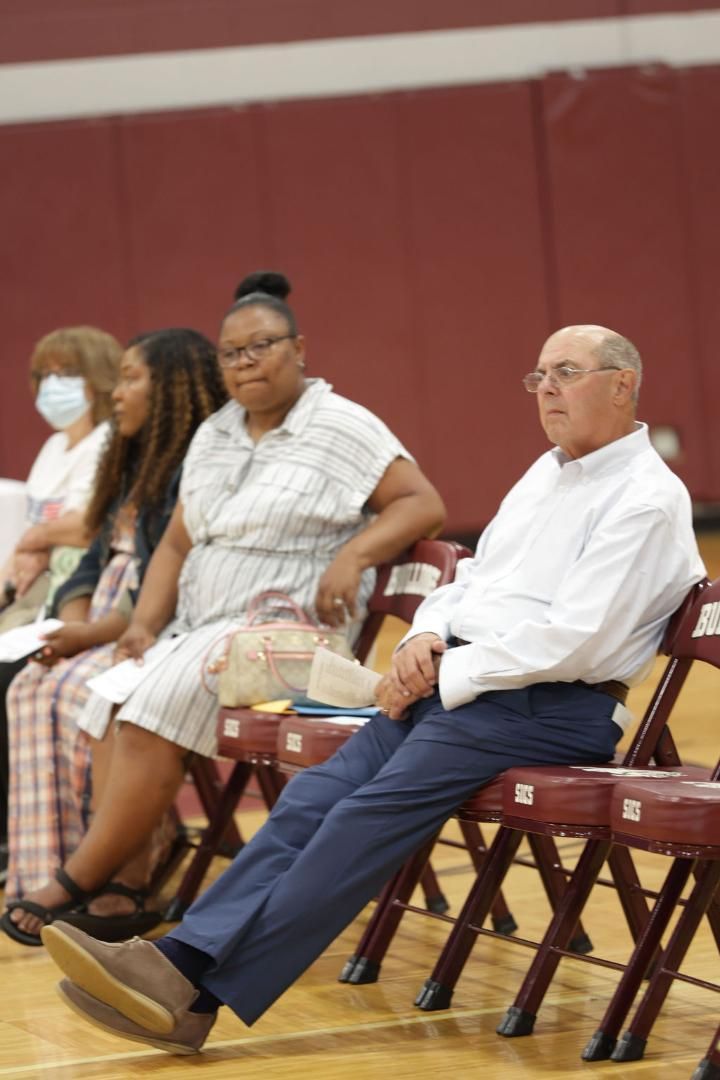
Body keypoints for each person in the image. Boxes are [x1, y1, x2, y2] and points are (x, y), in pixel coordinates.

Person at [39, 322, 706, 1055]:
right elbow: (475, 579)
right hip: (473, 686)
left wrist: (444, 670)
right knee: (313, 797)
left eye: (567, 372)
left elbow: (576, 638)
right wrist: (423, 637)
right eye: (538, 375)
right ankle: (178, 968)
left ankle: (193, 985)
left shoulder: (646, 497)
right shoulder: (545, 473)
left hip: (549, 707)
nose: (546, 388)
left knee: (361, 813)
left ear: (622, 384)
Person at [8, 271, 445, 946]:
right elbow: (177, 544)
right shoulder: (214, 434)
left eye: (261, 346)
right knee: (111, 695)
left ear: (299, 348)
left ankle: (74, 879)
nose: (245, 363)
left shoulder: (340, 425)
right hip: (207, 630)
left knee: (160, 700)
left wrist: (354, 555)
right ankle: (128, 887)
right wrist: (146, 625)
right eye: (231, 353)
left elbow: (422, 503)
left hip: (291, 639)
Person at [1, 328, 228, 945]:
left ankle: (119, 869)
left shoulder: (190, 469)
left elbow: (165, 584)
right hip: (107, 620)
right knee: (30, 687)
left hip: (151, 628)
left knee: (94, 691)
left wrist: (93, 633)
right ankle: (43, 864)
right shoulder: (131, 460)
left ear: (173, 388)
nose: (117, 394)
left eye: (131, 379)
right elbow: (95, 561)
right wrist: (73, 621)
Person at [0, 326, 120, 886]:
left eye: (64, 375)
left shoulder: (111, 441)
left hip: (90, 598)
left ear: (97, 379)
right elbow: (36, 533)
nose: (52, 387)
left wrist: (35, 542)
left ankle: (15, 839)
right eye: (43, 375)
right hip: (43, 592)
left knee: (10, 676)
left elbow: (89, 520)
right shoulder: (54, 448)